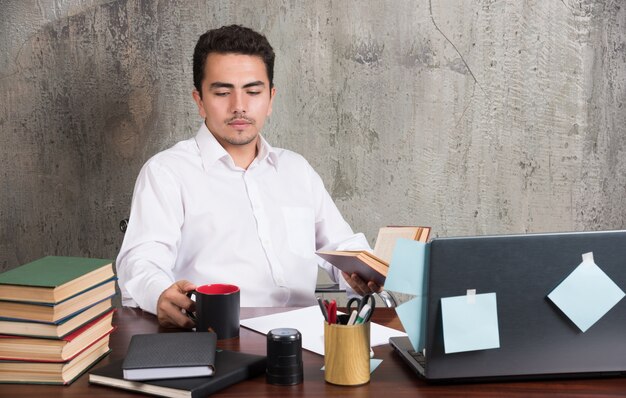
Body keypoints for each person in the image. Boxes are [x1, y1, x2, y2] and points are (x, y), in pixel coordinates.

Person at [116, 25, 380, 329]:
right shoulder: (167, 172)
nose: (239, 106)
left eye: (253, 92)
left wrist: (366, 274)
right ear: (199, 100)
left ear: (270, 99)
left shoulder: (297, 171)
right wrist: (159, 293)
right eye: (222, 92)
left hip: (304, 339)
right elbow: (141, 260)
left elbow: (342, 246)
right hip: (216, 335)